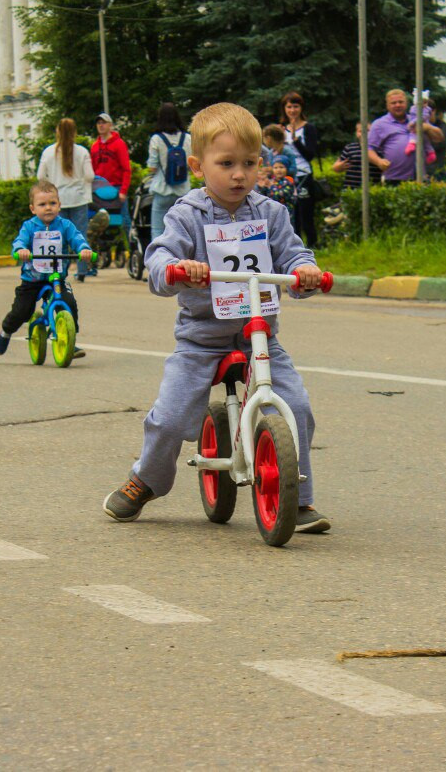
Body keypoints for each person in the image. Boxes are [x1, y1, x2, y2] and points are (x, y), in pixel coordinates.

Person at [102, 102, 330, 534]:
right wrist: (177, 270)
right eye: (226, 164)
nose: (239, 174)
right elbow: (160, 258)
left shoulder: (271, 213)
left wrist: (305, 273)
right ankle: (145, 480)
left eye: (248, 163)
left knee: (297, 406)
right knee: (170, 418)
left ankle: (296, 501)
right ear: (197, 165)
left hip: (259, 336)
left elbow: (295, 254)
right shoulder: (185, 215)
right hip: (201, 338)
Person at [0, 179, 94, 359]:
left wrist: (84, 249)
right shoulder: (29, 227)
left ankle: (69, 338)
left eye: (52, 203)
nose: (48, 208)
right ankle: (6, 332)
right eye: (42, 204)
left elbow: (77, 238)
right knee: (22, 311)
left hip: (56, 277)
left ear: (59, 205)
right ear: (33, 208)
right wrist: (21, 250)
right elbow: (19, 241)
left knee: (68, 303)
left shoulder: (65, 225)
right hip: (33, 279)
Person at [37, 118, 94, 279]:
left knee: (58, 235)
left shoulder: (48, 152)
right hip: (79, 198)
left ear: (57, 132)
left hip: (57, 200)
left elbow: (40, 176)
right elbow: (90, 176)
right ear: (75, 133)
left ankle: (61, 270)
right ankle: (82, 270)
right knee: (80, 234)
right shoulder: (82, 152)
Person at [368, 89, 444, 185]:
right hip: (395, 178)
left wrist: (426, 127)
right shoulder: (379, 124)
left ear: (406, 103)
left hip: (421, 177)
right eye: (393, 103)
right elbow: (368, 149)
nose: (398, 105)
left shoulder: (416, 119)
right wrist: (378, 161)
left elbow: (439, 138)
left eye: (401, 102)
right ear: (387, 105)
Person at [279, 91, 325, 246]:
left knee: (306, 213)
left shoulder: (308, 128)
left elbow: (310, 154)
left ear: (301, 108)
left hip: (304, 174)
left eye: (296, 106)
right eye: (289, 107)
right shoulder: (281, 129)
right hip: (287, 176)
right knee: (291, 214)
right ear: (284, 109)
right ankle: (295, 246)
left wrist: (295, 139)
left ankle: (312, 244)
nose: (292, 110)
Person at [89, 112, 131, 277]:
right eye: (99, 123)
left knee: (125, 221)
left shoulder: (118, 144)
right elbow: (92, 171)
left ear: (110, 125)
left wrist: (123, 191)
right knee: (97, 222)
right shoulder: (95, 147)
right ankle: (96, 254)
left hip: (116, 188)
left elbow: (126, 169)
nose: (101, 125)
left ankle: (132, 250)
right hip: (99, 191)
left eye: (104, 123)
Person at [145, 102, 193, 242]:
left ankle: (159, 261)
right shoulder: (187, 138)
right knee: (183, 230)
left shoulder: (156, 139)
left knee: (158, 231)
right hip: (183, 191)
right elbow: (191, 164)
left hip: (162, 190)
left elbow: (152, 167)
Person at [332, 123, 382, 189]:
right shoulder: (350, 148)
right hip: (350, 190)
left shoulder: (379, 149)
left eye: (368, 130)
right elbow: (336, 167)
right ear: (356, 133)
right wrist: (338, 166)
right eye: (361, 131)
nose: (364, 133)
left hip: (372, 190)